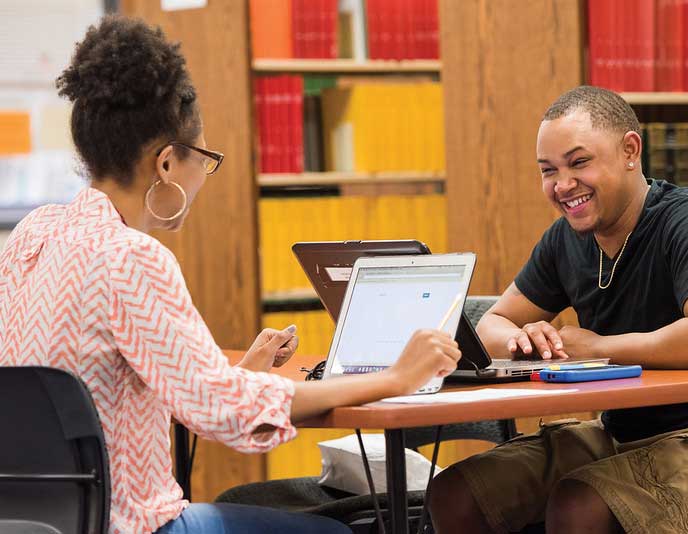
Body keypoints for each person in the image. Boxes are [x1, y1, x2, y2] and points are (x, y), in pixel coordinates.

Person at [0, 15, 461, 534]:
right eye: (205, 157)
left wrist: (249, 374)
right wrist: (395, 378)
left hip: (38, 521)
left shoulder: (33, 236)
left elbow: (118, 378)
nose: (205, 174)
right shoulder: (131, 258)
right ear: (168, 163)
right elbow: (218, 411)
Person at [427, 86, 688, 534]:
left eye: (579, 163)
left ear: (630, 150)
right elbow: (492, 325)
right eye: (548, 170)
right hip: (620, 432)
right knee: (456, 493)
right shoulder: (565, 239)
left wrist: (596, 347)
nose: (562, 185)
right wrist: (528, 339)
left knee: (579, 506)